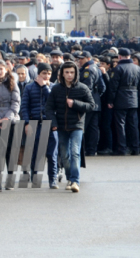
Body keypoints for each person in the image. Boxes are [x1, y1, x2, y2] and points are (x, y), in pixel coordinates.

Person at [45, 61, 94, 192]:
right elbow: (48, 108)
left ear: (76, 73)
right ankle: (70, 178)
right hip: (61, 126)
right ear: (62, 73)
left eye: (72, 72)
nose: (69, 75)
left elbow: (91, 105)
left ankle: (75, 181)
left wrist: (75, 103)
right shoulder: (56, 89)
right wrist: (54, 123)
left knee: (75, 152)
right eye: (66, 72)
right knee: (65, 155)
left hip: (77, 125)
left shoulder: (82, 88)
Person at [21, 63, 58, 188]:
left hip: (51, 124)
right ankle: (34, 176)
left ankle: (52, 179)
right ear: (39, 74)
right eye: (44, 73)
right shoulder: (29, 87)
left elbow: (55, 103)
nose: (46, 76)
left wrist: (45, 88)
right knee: (35, 152)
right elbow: (24, 107)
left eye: (49, 73)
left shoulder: (54, 87)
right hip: (35, 123)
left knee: (52, 154)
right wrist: (26, 123)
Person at [0, 61, 20, 193]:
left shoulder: (12, 82)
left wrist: (7, 117)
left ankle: (10, 181)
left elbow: (16, 102)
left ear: (6, 70)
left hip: (10, 120)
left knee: (10, 151)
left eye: (1, 69)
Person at [107, 48, 140, 156]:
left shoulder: (118, 68)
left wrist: (110, 101)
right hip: (133, 99)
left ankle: (122, 148)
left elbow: (113, 87)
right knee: (133, 125)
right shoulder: (137, 68)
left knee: (120, 125)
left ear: (119, 56)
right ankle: (135, 148)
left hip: (120, 99)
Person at [77, 52, 105, 157]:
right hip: (96, 102)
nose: (80, 60)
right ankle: (92, 150)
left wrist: (82, 101)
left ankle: (82, 150)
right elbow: (102, 87)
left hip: (87, 103)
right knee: (93, 128)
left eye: (82, 58)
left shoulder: (88, 69)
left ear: (88, 58)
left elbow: (86, 87)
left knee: (83, 127)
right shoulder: (96, 68)